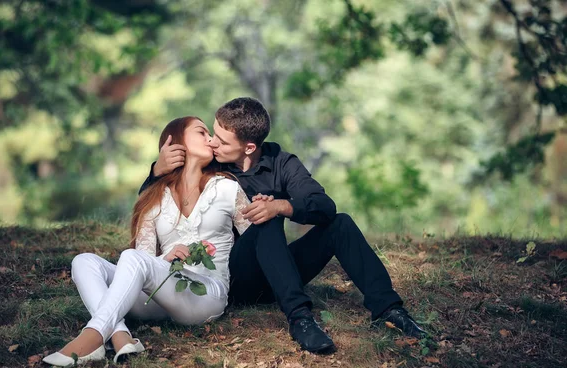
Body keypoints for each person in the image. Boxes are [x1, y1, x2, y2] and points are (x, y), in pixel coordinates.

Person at [140, 98, 427, 354]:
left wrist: (282, 205)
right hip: (240, 276)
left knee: (341, 224)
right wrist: (157, 169)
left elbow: (324, 205)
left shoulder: (282, 163)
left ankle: (390, 310)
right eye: (213, 134)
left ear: (249, 147)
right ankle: (301, 318)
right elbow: (158, 199)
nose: (214, 143)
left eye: (223, 141)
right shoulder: (212, 164)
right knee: (265, 221)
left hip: (282, 268)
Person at [42, 117, 251, 367]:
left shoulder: (227, 188)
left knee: (129, 258)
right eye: (202, 131)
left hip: (206, 293)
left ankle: (93, 336)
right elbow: (145, 259)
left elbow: (253, 243)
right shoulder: (155, 196)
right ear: (176, 142)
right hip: (159, 293)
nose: (211, 138)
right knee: (84, 261)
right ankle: (120, 335)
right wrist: (167, 258)